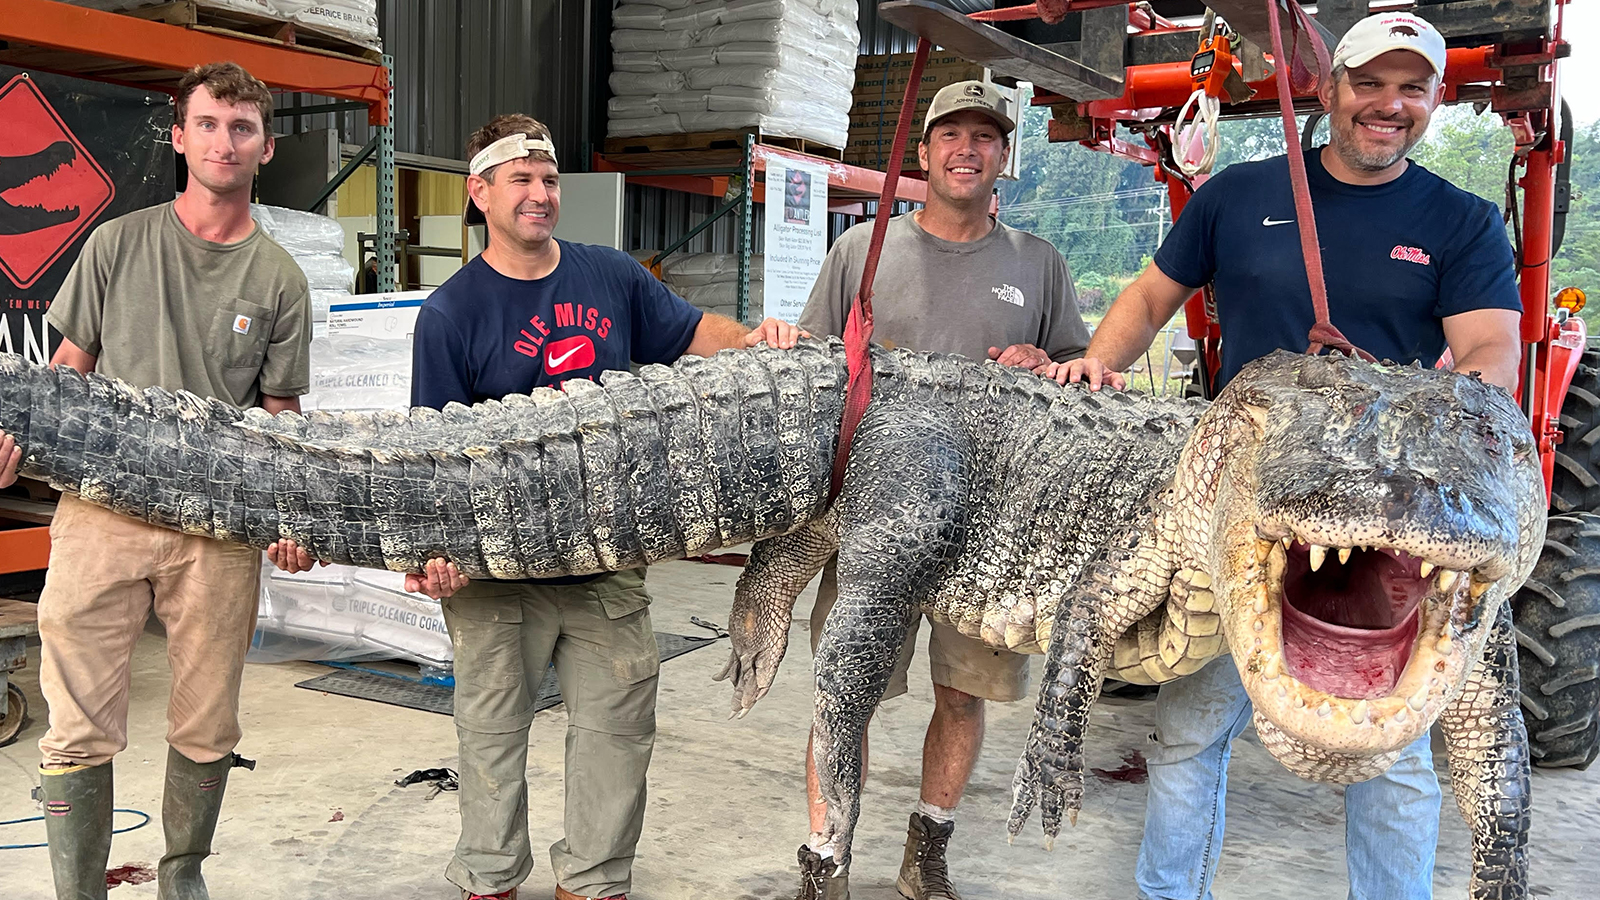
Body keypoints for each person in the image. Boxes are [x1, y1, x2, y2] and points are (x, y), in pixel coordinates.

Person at [1045, 13, 1521, 900]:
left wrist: (1462, 413)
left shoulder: (1460, 222)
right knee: (1192, 729)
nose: (1389, 105)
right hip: (1247, 510)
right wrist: (1096, 364)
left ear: (1433, 100)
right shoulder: (1236, 194)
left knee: (1394, 757)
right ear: (1329, 90)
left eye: (1410, 88)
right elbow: (1151, 297)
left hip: (1384, 520)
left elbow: (1493, 351)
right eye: (1369, 84)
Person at [275, 113, 803, 900]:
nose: (540, 193)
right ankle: (490, 881)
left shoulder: (611, 276)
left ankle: (593, 883)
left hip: (605, 568)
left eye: (549, 179)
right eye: (520, 179)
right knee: (490, 741)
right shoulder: (452, 313)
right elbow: (438, 463)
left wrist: (762, 341)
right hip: (497, 582)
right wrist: (433, 565)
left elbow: (696, 334)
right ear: (480, 192)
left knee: (618, 736)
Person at [792, 80, 1091, 900]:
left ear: (1005, 156)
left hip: (991, 531)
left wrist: (1047, 369)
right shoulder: (864, 251)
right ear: (923, 154)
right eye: (950, 133)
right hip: (873, 520)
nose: (967, 148)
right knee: (842, 696)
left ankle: (928, 848)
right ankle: (825, 859)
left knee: (964, 695)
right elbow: (812, 372)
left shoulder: (1038, 263)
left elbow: (1082, 376)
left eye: (985, 136)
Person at [29, 62, 311, 900]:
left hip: (217, 530)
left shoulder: (278, 280)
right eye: (210, 124)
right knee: (75, 722)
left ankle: (181, 876)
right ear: (180, 136)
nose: (225, 142)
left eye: (243, 128)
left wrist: (290, 513)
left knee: (207, 718)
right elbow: (64, 378)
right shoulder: (117, 244)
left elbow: (279, 422)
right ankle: (78, 890)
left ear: (263, 146)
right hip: (101, 515)